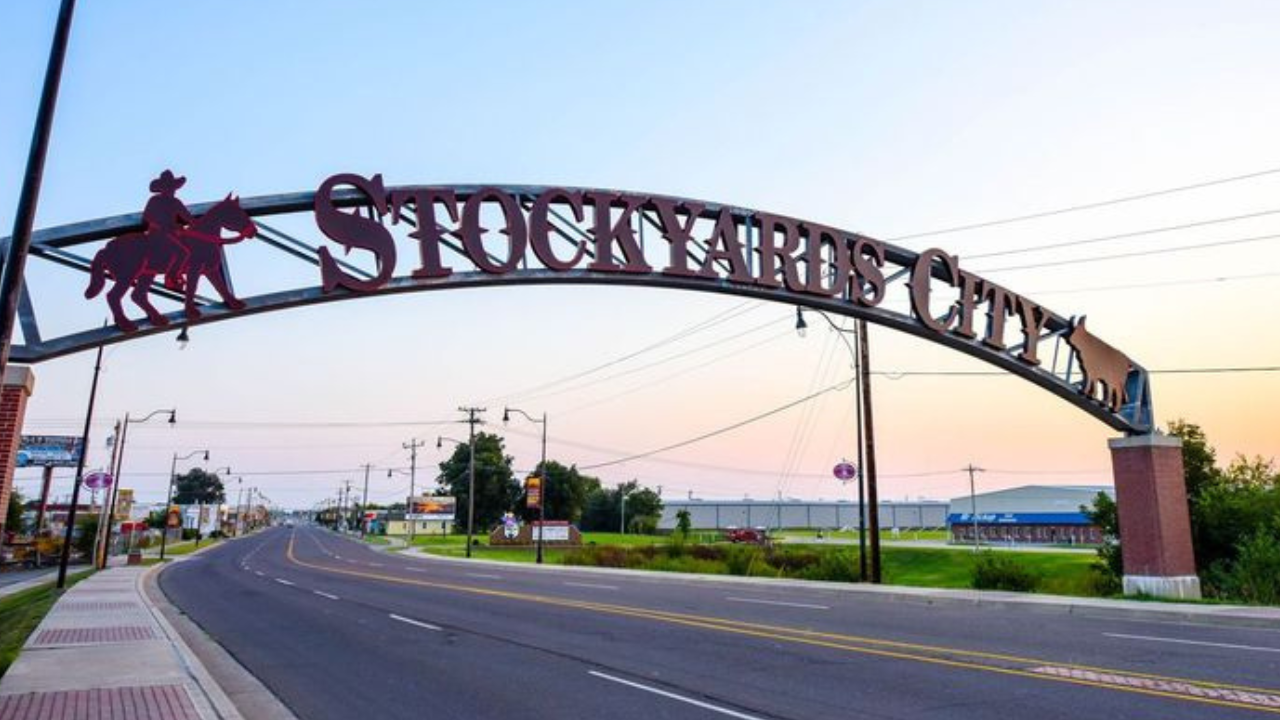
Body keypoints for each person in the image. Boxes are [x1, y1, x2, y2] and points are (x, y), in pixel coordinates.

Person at [142, 170, 195, 290]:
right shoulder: (155, 200)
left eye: (172, 187)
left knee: (189, 246)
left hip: (172, 234)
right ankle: (171, 278)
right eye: (168, 187)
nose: (172, 190)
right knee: (183, 252)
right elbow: (146, 217)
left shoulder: (176, 202)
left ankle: (178, 273)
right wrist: (160, 225)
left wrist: (198, 225)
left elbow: (188, 217)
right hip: (157, 234)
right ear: (162, 188)